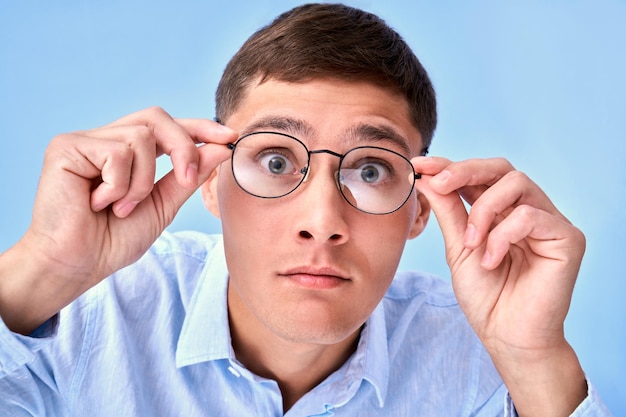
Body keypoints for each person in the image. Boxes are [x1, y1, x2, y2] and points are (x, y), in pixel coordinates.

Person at [0, 3, 613, 416]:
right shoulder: (82, 317)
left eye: (370, 170)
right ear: (209, 180)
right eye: (274, 161)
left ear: (420, 209)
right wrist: (43, 268)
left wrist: (535, 362)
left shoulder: (483, 355)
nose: (321, 221)